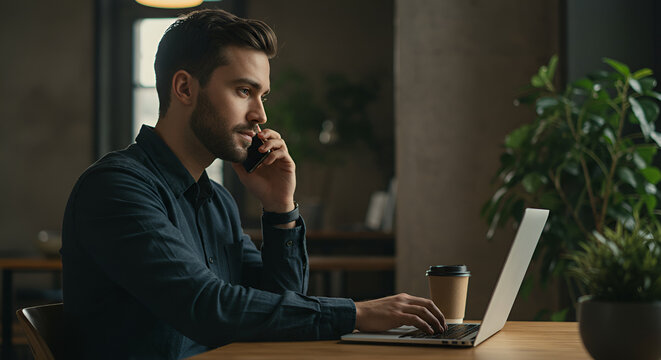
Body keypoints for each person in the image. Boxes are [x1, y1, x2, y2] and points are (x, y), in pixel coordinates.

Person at [61, 8, 446, 359]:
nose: (260, 114)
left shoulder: (217, 202)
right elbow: (206, 307)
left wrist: (280, 208)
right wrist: (356, 313)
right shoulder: (116, 189)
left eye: (262, 95)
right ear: (184, 88)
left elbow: (280, 306)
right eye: (244, 91)